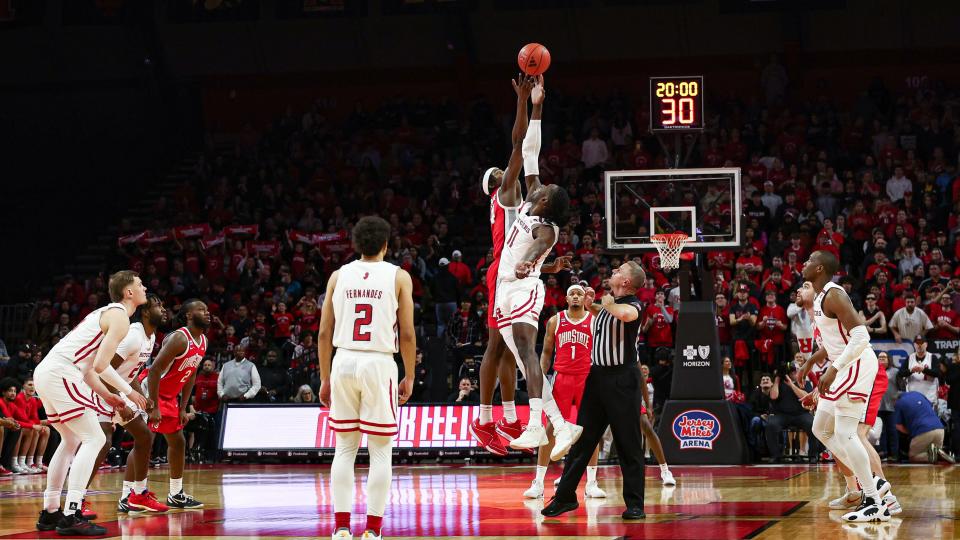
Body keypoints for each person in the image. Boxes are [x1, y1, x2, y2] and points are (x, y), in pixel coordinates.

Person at [471, 74, 567, 456]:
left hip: (510, 269)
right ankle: (487, 419)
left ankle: (511, 417)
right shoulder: (508, 191)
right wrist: (524, 101)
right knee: (502, 347)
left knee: (510, 347)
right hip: (505, 273)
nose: (501, 170)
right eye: (496, 173)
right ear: (495, 185)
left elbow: (529, 152)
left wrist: (536, 106)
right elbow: (523, 148)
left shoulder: (521, 205)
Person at [318, 216, 416, 540]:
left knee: (344, 449)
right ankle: (373, 531)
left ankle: (341, 527)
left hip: (343, 359)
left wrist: (324, 378)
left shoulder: (338, 276)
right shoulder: (399, 276)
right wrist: (410, 375)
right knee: (380, 450)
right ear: (387, 245)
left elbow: (322, 333)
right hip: (379, 363)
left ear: (355, 244)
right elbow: (408, 333)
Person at [33, 270, 149, 535]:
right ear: (128, 292)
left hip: (49, 372)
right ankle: (71, 513)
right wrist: (127, 393)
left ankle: (51, 512)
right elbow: (101, 365)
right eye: (140, 285)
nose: (145, 289)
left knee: (71, 440)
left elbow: (90, 369)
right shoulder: (120, 316)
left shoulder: (106, 314)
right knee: (95, 439)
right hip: (61, 372)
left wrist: (108, 395)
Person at [542, 261, 648, 521]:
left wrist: (606, 303)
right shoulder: (608, 306)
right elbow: (608, 310)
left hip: (622, 380)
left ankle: (635, 504)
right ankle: (565, 496)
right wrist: (593, 305)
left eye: (618, 271)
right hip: (597, 378)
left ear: (626, 282)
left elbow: (625, 315)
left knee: (628, 444)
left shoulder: (634, 304)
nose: (613, 272)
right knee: (582, 441)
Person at [795, 280, 901, 516]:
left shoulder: (831, 301)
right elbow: (834, 350)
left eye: (806, 285)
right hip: (844, 372)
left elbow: (855, 338)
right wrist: (815, 373)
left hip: (862, 371)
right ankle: (855, 489)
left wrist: (815, 364)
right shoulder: (817, 319)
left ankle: (885, 496)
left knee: (856, 435)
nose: (799, 289)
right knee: (827, 430)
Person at [90, 294, 170, 515]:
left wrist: (139, 395)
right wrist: (119, 400)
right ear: (145, 312)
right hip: (97, 389)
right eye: (158, 305)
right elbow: (105, 369)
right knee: (102, 443)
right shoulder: (133, 335)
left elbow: (130, 371)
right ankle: (79, 500)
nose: (163, 309)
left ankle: (135, 495)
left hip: (116, 390)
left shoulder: (150, 337)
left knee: (143, 436)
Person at [525, 284, 604, 499]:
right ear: (567, 299)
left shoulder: (594, 320)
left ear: (583, 298)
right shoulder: (555, 321)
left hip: (586, 378)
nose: (576, 296)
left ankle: (592, 483)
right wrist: (540, 377)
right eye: (572, 294)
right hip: (562, 378)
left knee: (590, 430)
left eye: (580, 293)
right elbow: (547, 352)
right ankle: (538, 483)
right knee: (550, 427)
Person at [143, 299, 211, 510]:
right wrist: (153, 405)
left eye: (207, 309)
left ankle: (175, 493)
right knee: (144, 442)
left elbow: (190, 375)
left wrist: (183, 407)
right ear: (189, 315)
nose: (207, 313)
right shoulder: (180, 338)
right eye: (201, 309)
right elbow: (154, 370)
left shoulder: (203, 341)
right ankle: (133, 493)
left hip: (170, 397)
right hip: (151, 392)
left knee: (178, 442)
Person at [893, 391, 947, 463]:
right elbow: (930, 405)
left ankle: (936, 456)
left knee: (913, 457)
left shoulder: (899, 403)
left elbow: (898, 426)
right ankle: (938, 452)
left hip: (922, 431)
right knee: (929, 452)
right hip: (940, 429)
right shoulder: (918, 394)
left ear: (895, 400)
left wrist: (911, 432)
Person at [12, 377, 50, 474]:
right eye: (29, 385)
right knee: (32, 430)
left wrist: (39, 424)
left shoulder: (33, 400)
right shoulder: (19, 398)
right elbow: (22, 418)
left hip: (24, 424)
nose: (32, 387)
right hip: (16, 424)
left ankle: (37, 462)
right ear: (23, 386)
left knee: (46, 430)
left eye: (34, 385)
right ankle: (18, 463)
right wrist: (35, 425)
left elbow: (35, 418)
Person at [897, 335, 940, 404]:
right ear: (914, 345)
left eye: (921, 343)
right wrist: (911, 370)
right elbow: (900, 373)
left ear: (926, 344)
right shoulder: (910, 358)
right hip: (913, 397)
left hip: (929, 397)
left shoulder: (932, 357)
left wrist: (924, 370)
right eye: (917, 343)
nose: (919, 345)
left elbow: (937, 373)